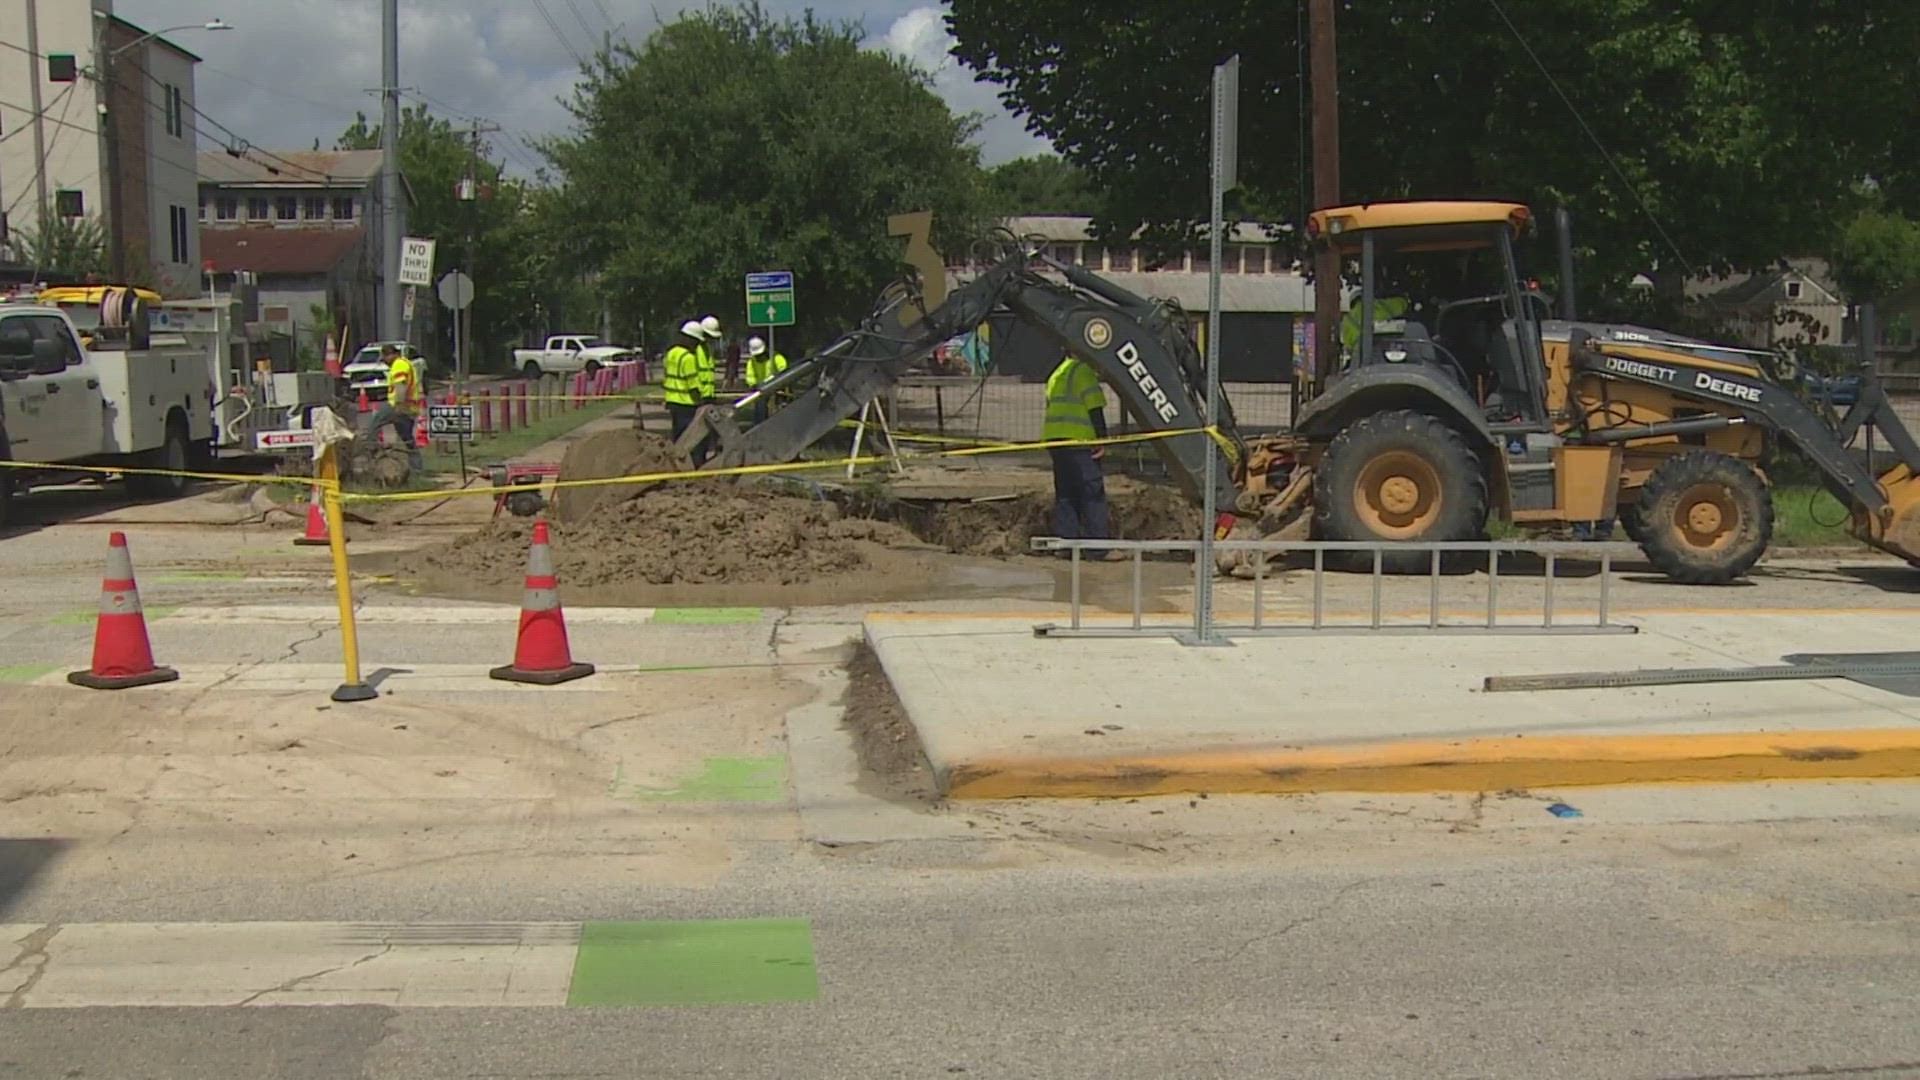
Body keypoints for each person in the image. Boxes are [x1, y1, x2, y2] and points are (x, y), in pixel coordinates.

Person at [1042, 352, 1121, 560]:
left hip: (1055, 440)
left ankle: (1066, 545)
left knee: (1066, 493)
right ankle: (1097, 549)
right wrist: (1101, 440)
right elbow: (1094, 408)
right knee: (1092, 493)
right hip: (1080, 441)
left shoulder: (1056, 373)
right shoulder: (1083, 371)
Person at [367, 344, 425, 473]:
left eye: (385, 358)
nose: (385, 362)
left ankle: (370, 451)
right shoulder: (406, 363)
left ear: (391, 355)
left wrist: (398, 405)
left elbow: (400, 386)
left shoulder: (399, 365)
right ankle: (417, 468)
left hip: (398, 405)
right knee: (408, 439)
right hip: (410, 408)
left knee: (375, 423)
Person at [662, 321, 706, 442]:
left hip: (672, 401)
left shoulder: (671, 353)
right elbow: (693, 385)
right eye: (696, 341)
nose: (696, 345)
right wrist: (702, 403)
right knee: (690, 439)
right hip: (687, 404)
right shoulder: (688, 358)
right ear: (689, 339)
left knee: (678, 436)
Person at [744, 336, 788, 424]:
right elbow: (750, 376)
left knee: (780, 408)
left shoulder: (776, 357)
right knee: (760, 409)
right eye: (757, 356)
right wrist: (753, 385)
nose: (759, 357)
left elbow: (784, 370)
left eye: (760, 355)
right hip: (761, 390)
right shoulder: (751, 362)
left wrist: (778, 380)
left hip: (777, 388)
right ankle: (760, 425)